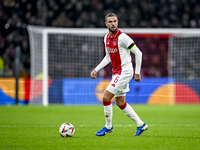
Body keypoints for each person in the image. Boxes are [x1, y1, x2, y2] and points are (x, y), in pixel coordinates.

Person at [91, 13, 148, 136]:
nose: (113, 24)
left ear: (118, 22)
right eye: (110, 22)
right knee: (120, 102)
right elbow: (108, 57)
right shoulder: (106, 38)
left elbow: (138, 53)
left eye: (115, 21)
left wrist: (137, 73)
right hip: (116, 73)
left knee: (106, 97)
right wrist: (96, 69)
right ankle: (141, 124)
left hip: (125, 72)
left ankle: (108, 126)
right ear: (106, 24)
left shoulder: (123, 38)